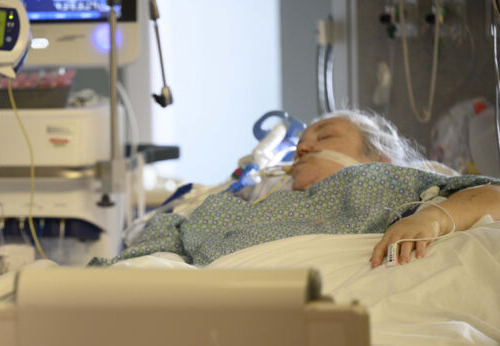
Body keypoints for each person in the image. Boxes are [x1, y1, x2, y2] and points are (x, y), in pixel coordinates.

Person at [93, 109, 500, 267]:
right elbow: (166, 239)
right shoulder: (237, 206)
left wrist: (432, 217)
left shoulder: (398, 182)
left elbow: (493, 196)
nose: (303, 146)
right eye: (302, 141)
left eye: (324, 137)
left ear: (380, 157)